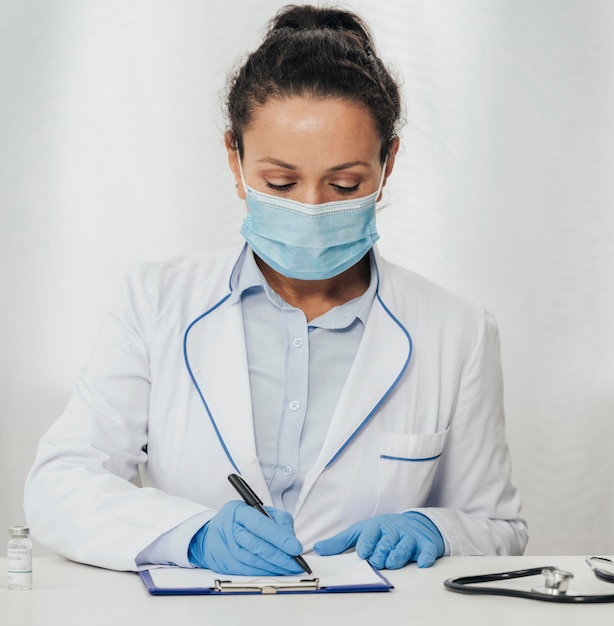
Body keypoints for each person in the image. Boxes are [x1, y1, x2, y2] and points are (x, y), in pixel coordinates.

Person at [24, 4, 527, 574]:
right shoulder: (155, 301)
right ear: (234, 160)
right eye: (280, 181)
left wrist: (434, 528)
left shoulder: (455, 330)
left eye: (344, 183)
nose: (311, 207)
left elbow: (498, 526)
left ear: (388, 164)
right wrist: (192, 537)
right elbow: (61, 485)